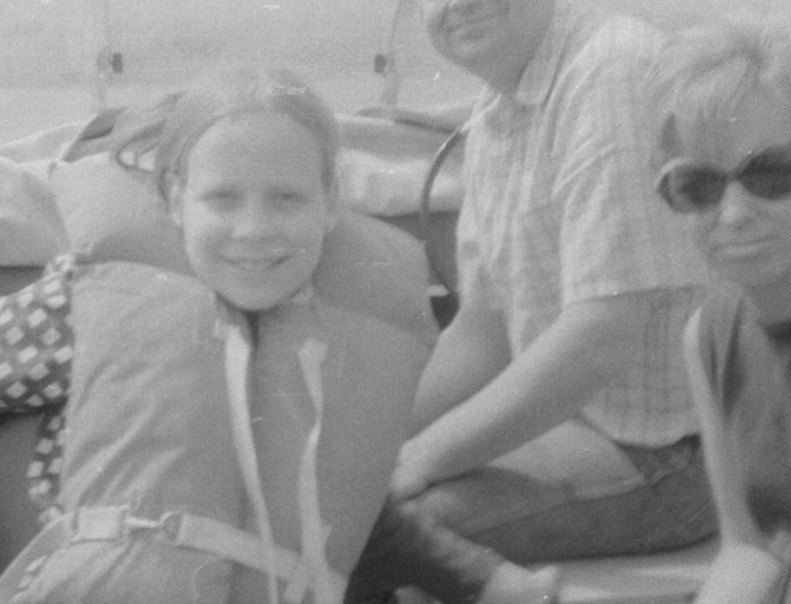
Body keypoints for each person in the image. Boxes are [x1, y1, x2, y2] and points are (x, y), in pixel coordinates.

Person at [0, 67, 558, 603]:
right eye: (223, 198)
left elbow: (347, 506)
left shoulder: (340, 334)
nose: (254, 230)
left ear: (329, 204)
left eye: (286, 198)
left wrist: (481, 579)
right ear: (174, 200)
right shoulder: (88, 304)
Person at [391, 0, 717, 563]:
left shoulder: (615, 69)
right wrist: (371, 443)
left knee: (374, 532)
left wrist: (420, 456)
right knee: (340, 496)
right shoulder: (497, 108)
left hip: (669, 458)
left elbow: (601, 339)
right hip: (565, 422)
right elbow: (483, 330)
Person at [646, 13, 791, 602]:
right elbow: (748, 546)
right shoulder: (707, 336)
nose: (734, 213)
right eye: (697, 185)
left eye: (772, 172)